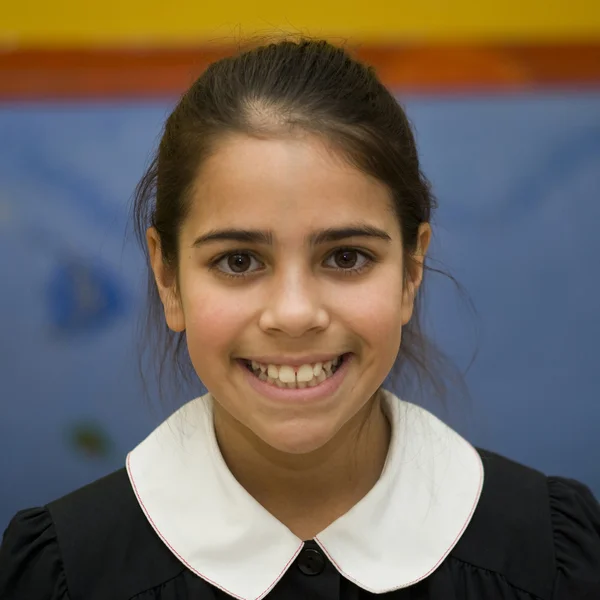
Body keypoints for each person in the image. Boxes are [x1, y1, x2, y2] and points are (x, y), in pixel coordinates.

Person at [1, 38, 599, 600]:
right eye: (238, 261)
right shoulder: (63, 573)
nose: (293, 314)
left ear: (411, 270)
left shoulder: (551, 559)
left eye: (346, 257)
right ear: (167, 277)